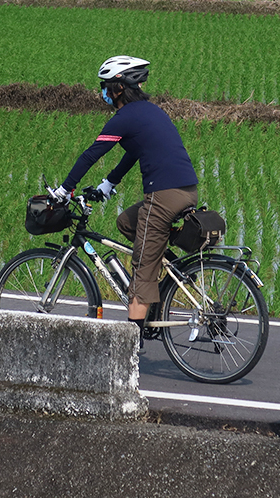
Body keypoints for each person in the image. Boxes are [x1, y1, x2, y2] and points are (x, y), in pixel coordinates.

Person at [51, 55, 198, 350]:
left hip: (163, 195)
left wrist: (64, 190)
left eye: (105, 86)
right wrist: (109, 183)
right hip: (185, 190)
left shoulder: (126, 116)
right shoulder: (148, 111)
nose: (102, 92)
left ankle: (131, 347)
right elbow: (133, 151)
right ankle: (165, 269)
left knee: (141, 269)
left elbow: (92, 154)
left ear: (119, 87)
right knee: (126, 223)